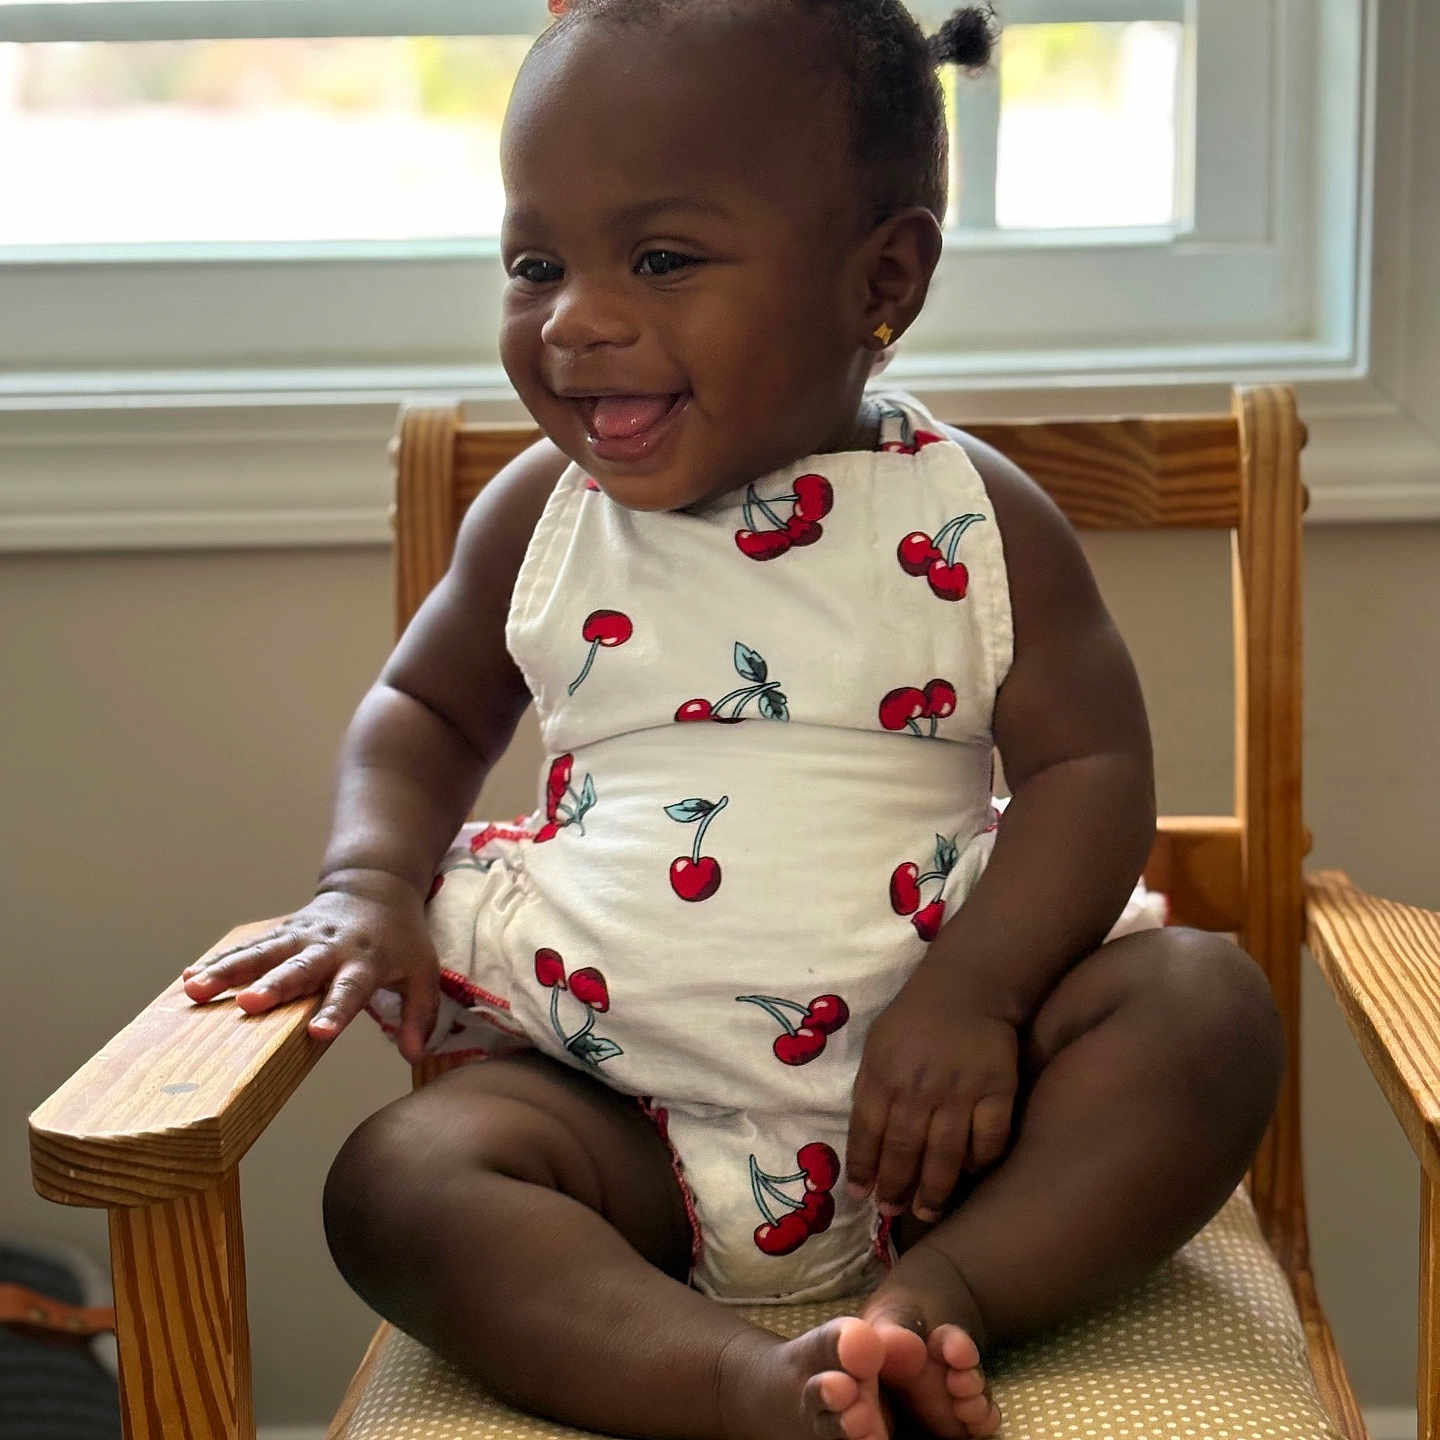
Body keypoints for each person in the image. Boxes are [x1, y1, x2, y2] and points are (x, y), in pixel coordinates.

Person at [182, 4, 1284, 1437]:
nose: (574, 316)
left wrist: (979, 1001)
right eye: (536, 265)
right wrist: (368, 884)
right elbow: (421, 707)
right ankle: (740, 1384)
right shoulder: (543, 517)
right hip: (613, 1110)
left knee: (1208, 1011)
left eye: (660, 259)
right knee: (399, 1179)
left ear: (879, 277)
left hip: (952, 1118)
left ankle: (939, 1301)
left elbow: (1091, 770)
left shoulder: (973, 519)